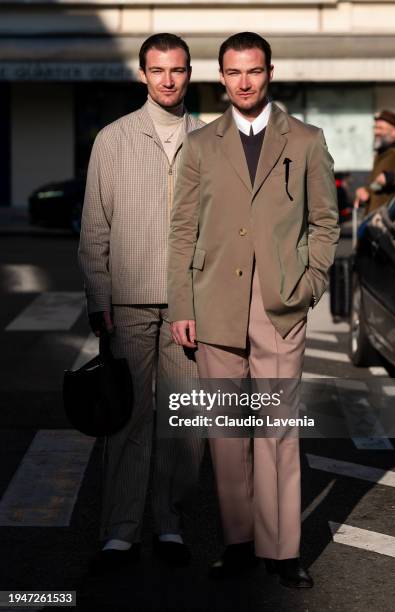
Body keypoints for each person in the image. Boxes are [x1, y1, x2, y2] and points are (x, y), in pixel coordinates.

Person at [167, 32, 339, 588]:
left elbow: (325, 224)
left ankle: (282, 551)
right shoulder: (199, 146)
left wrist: (309, 285)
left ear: (270, 73)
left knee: (277, 432)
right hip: (214, 306)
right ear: (221, 77)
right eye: (234, 73)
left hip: (279, 307)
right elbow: (182, 231)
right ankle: (238, 543)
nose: (245, 82)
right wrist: (182, 303)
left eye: (254, 71)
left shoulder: (307, 140)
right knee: (226, 433)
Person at [78, 33, 204, 571]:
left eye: (177, 70)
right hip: (127, 301)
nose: (168, 80)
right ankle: (121, 531)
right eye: (158, 70)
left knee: (184, 421)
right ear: (143, 74)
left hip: (190, 306)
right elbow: (93, 228)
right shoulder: (113, 138)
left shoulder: (210, 139)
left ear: (189, 73)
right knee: (127, 418)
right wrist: (99, 296)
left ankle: (169, 523)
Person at [355, 110, 395, 216]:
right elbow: (378, 185)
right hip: (375, 222)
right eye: (375, 128)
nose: (376, 132)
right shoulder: (380, 155)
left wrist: (391, 177)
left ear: (393, 131)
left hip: (392, 224)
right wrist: (366, 191)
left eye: (381, 128)